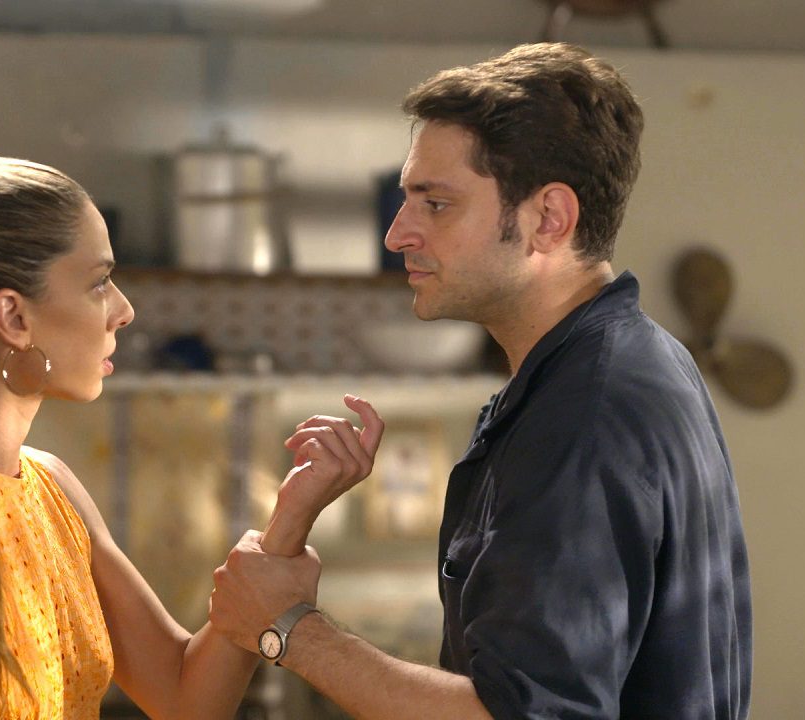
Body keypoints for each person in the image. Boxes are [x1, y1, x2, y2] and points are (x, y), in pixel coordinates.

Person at [209, 42, 752, 719]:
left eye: (436, 204)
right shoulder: (629, 363)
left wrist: (289, 629)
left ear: (549, 220)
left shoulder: (583, 414)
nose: (398, 235)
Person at [0, 153, 384, 719]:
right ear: (14, 318)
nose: (124, 310)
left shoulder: (54, 488)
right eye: (98, 283)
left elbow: (185, 699)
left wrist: (288, 522)